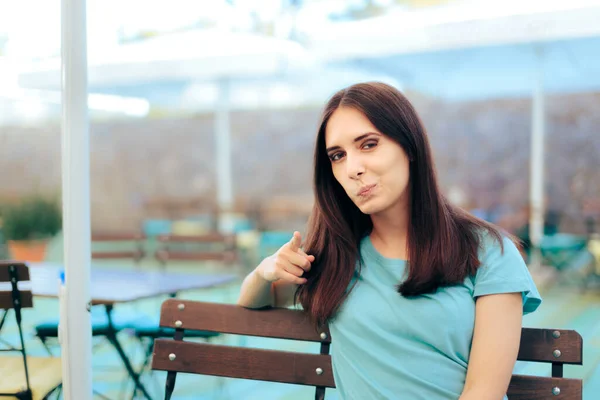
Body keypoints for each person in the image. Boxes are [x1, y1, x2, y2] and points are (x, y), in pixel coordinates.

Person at [237, 82, 541, 400]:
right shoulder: (335, 257)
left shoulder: (490, 252)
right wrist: (264, 272)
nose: (353, 168)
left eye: (368, 144)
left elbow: (484, 392)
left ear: (409, 146)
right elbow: (255, 298)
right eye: (338, 156)